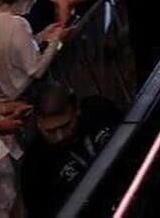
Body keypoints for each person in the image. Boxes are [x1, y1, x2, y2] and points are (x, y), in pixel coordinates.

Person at [20, 81, 120, 218]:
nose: (60, 136)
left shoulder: (99, 111)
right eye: (50, 131)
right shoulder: (35, 164)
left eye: (66, 125)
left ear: (76, 110)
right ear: (38, 122)